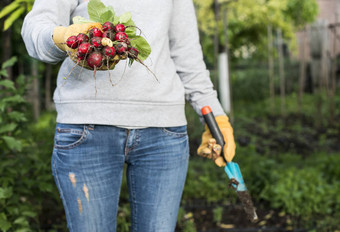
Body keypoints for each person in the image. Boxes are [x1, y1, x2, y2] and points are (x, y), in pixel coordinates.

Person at [21, 0, 236, 231]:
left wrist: (216, 117)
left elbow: (187, 56)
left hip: (163, 132)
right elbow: (35, 28)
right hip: (86, 128)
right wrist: (63, 37)